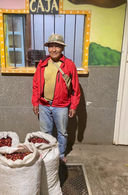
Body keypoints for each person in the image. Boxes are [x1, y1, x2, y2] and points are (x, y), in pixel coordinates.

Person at [32, 34, 81, 163]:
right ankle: (47, 155)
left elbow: (75, 88)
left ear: (62, 48)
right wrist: (35, 102)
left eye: (57, 47)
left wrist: (73, 106)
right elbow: (36, 85)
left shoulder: (69, 65)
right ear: (48, 48)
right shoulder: (42, 64)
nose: (54, 49)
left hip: (62, 105)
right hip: (44, 105)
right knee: (45, 132)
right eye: (51, 46)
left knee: (62, 133)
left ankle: (60, 155)